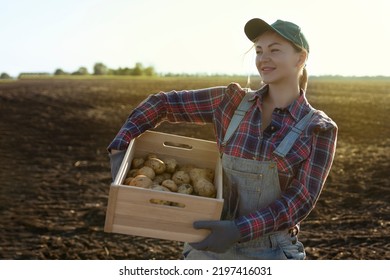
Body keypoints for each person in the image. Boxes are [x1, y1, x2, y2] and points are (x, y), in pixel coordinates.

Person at [108, 18, 338, 260]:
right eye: (259, 51)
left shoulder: (317, 128)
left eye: (275, 50)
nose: (263, 58)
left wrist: (238, 230)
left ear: (300, 58)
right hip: (206, 246)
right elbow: (162, 104)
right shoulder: (231, 102)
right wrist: (120, 147)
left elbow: (300, 200)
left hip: (270, 252)